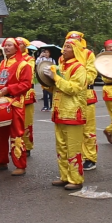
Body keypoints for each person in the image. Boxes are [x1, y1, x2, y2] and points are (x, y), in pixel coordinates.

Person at [46, 38, 87, 190]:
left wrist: (55, 77)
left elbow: (73, 89)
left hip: (73, 112)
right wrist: (47, 81)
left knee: (73, 147)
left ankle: (76, 179)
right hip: (59, 111)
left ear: (75, 50)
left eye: (68, 47)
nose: (64, 49)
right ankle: (65, 177)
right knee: (61, 147)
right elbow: (56, 89)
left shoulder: (79, 68)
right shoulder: (60, 66)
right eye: (64, 46)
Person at [0, 38, 31, 176]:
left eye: (9, 45)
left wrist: (9, 89)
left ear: (16, 48)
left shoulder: (23, 65)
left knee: (16, 135)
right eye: (5, 45)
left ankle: (20, 165)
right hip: (1, 103)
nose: (6, 48)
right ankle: (0, 161)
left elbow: (26, 85)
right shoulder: (2, 63)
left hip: (15, 103)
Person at [64, 31, 98, 170]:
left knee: (88, 129)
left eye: (76, 41)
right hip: (67, 95)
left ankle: (90, 157)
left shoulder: (88, 54)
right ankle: (73, 157)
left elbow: (91, 74)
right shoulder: (63, 57)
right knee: (69, 129)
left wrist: (79, 77)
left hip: (86, 94)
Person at [16, 38, 36, 156]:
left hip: (27, 93)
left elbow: (27, 72)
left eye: (20, 44)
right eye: (16, 44)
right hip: (13, 94)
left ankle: (27, 146)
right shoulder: (10, 59)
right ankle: (16, 145)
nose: (17, 46)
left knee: (27, 121)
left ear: (25, 46)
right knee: (14, 122)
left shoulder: (29, 59)